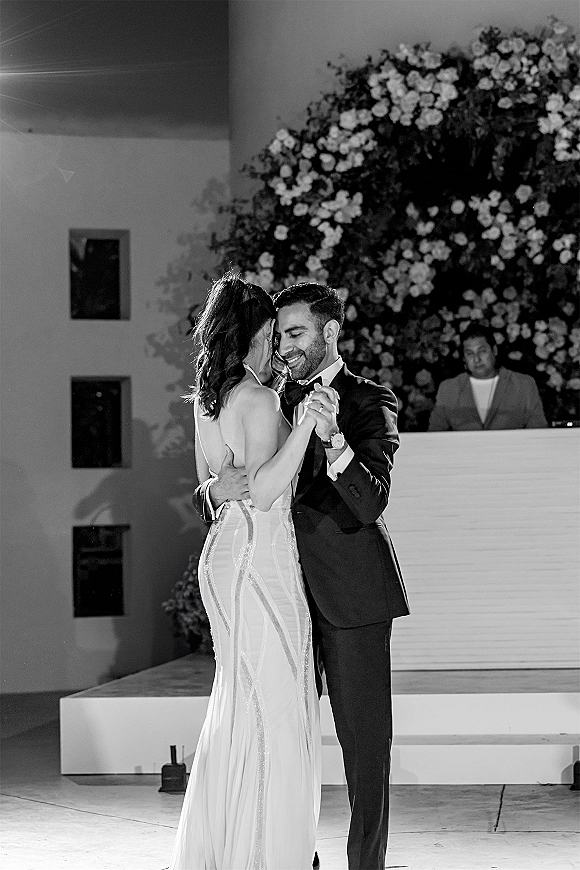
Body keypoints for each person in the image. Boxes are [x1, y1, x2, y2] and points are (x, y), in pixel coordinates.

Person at [194, 282, 410, 870]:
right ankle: (285, 854)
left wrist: (335, 439)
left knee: (365, 750)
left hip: (348, 597)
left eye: (296, 333)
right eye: (278, 335)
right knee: (275, 729)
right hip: (276, 592)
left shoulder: (370, 400)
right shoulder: (264, 393)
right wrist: (211, 490)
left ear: (329, 331)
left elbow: (370, 503)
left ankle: (366, 865)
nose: (285, 346)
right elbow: (229, 483)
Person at [169, 272, 329, 870]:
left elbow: (211, 485)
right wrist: (308, 426)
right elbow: (262, 492)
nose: (273, 349)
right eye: (268, 335)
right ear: (251, 334)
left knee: (240, 708)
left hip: (224, 559)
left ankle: (232, 850)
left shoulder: (207, 403)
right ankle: (269, 856)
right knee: (278, 713)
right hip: (261, 563)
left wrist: (217, 486)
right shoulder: (258, 400)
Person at [428, 324, 548, 431]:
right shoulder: (449, 389)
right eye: (470, 354)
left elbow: (539, 434)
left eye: (482, 351)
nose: (477, 359)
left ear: (494, 350)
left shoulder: (523, 385)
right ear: (464, 358)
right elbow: (433, 437)